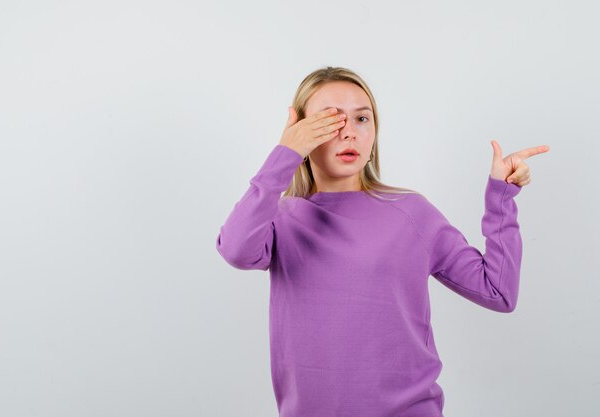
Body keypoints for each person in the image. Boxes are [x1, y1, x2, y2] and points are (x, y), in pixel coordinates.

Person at [215, 66, 549, 417]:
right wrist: (285, 154)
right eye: (329, 121)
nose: (349, 134)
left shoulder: (410, 213)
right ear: (301, 133)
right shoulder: (279, 218)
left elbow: (499, 291)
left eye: (362, 119)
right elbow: (236, 250)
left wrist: (501, 198)